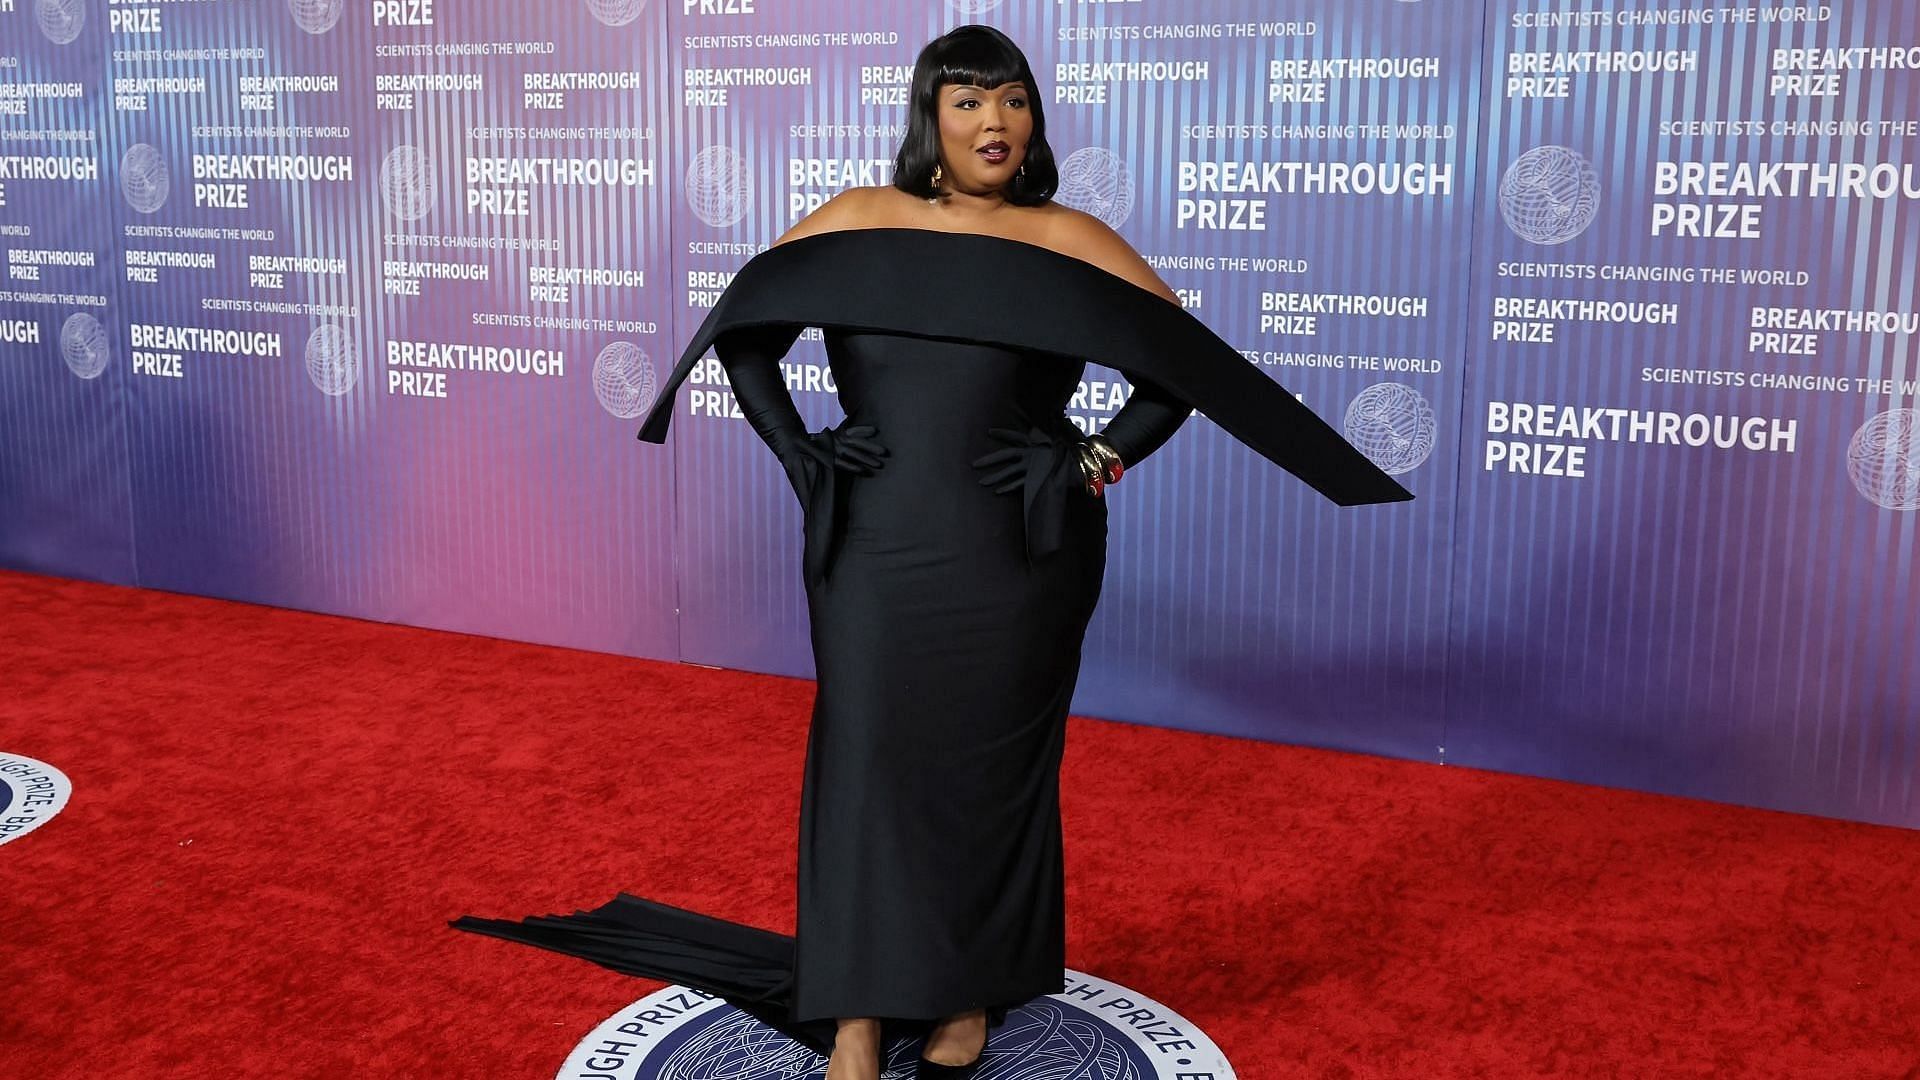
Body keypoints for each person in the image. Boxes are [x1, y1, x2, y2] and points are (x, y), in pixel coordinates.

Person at [452, 24, 1410, 1080]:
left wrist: (1093, 460)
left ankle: (964, 992)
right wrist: (800, 451)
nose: (992, 121)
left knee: (990, 769)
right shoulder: (862, 218)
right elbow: (744, 326)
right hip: (874, 541)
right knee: (867, 762)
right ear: (929, 117)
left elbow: (1185, 370)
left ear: (1033, 118)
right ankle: (856, 1015)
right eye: (966, 101)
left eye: (1010, 99)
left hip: (1020, 553)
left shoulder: (1070, 238)